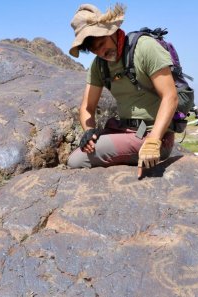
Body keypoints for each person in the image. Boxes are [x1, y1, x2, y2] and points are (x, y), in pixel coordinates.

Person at [66, 3, 178, 178]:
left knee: (76, 160)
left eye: (102, 43)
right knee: (86, 149)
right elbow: (87, 108)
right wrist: (89, 131)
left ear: (111, 30)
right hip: (124, 130)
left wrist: (154, 140)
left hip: (154, 136)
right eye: (94, 49)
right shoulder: (99, 65)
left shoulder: (145, 48)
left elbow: (170, 96)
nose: (101, 52)